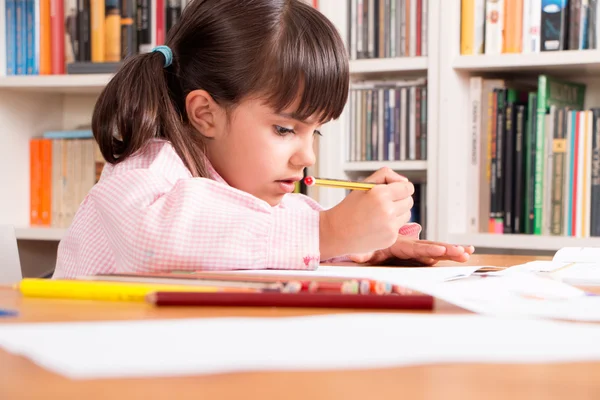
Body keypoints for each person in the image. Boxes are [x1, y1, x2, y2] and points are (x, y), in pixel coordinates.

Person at [53, 0, 473, 279]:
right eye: (285, 129)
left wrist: (361, 247)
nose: (305, 156)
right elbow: (160, 238)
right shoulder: (147, 168)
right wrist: (327, 231)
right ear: (205, 113)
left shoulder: (235, 180)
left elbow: (252, 238)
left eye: (316, 131)